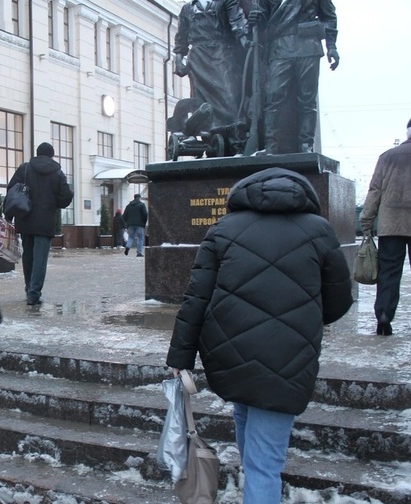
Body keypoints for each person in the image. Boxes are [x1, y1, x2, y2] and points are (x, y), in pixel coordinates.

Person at [166, 167, 352, 504]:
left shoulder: (224, 229)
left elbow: (195, 300)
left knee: (253, 450)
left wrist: (180, 358)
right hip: (288, 362)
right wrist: (301, 318)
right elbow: (338, 301)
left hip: (231, 356)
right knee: (265, 468)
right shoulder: (318, 230)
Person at [249, 0, 339, 154]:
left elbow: (329, 17)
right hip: (280, 47)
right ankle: (271, 146)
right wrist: (255, 18)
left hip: (308, 46)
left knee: (307, 99)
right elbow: (264, 18)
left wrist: (332, 47)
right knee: (273, 97)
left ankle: (306, 145)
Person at [173, 0, 249, 151]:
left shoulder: (227, 2)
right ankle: (204, 137)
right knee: (200, 100)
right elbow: (181, 37)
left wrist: (246, 43)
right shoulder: (187, 9)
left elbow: (238, 23)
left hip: (223, 55)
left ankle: (236, 140)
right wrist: (179, 59)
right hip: (197, 59)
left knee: (230, 98)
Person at [359, 118, 411, 336]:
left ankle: (384, 316)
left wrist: (366, 221)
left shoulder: (387, 157)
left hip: (391, 224)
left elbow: (375, 191)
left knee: (388, 272)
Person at [7, 142, 73, 305]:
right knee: (40, 259)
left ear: (37, 153)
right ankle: (34, 293)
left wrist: (9, 215)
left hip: (25, 218)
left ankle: (28, 288)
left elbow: (11, 190)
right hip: (45, 221)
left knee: (28, 256)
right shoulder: (57, 173)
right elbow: (65, 197)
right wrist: (52, 203)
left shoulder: (25, 168)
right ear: (52, 155)